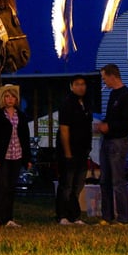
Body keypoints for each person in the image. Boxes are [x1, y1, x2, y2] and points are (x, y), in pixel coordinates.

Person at [0, 84, 32, 229]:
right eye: (7, 96)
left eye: (12, 96)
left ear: (16, 99)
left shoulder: (21, 116)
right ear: (3, 99)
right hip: (3, 156)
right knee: (2, 186)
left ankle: (8, 218)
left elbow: (25, 137)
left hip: (16, 154)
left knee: (11, 187)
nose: (10, 99)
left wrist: (27, 158)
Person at [97, 64, 128, 226]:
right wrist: (103, 124)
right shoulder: (112, 95)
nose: (104, 80)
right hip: (107, 140)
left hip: (118, 142)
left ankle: (123, 217)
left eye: (104, 77)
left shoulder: (127, 96)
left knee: (118, 181)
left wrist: (110, 127)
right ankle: (107, 216)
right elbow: (110, 117)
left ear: (113, 76)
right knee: (104, 179)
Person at [55, 74, 93, 225]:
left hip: (82, 151)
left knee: (78, 185)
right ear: (71, 86)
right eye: (77, 84)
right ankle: (62, 215)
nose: (80, 87)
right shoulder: (67, 103)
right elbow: (64, 129)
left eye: (83, 84)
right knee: (67, 184)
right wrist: (67, 152)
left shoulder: (86, 102)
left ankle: (74, 215)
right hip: (68, 151)